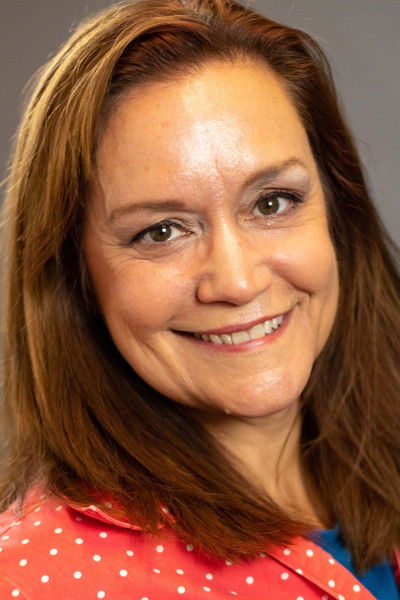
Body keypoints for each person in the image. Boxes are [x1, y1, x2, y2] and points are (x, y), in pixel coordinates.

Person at [1, 0, 399, 598]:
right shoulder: (33, 581)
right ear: (75, 277)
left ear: (337, 211)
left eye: (272, 202)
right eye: (161, 231)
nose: (237, 282)